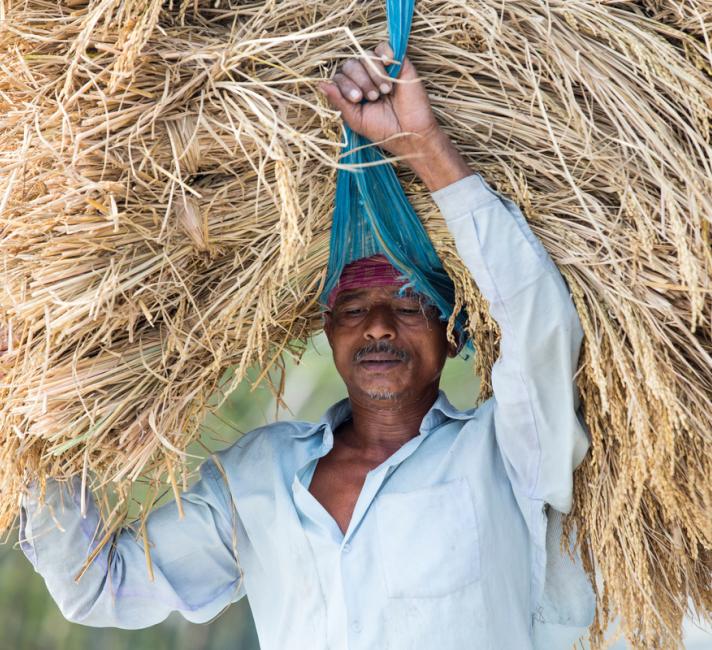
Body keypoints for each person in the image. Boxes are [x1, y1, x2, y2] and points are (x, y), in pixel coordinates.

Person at [17, 42, 595, 649]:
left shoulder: (505, 456)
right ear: (329, 331)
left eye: (406, 306)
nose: (377, 326)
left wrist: (426, 147)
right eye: (353, 308)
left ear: (453, 336)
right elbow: (99, 587)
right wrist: (33, 405)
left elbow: (537, 332)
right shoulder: (262, 474)